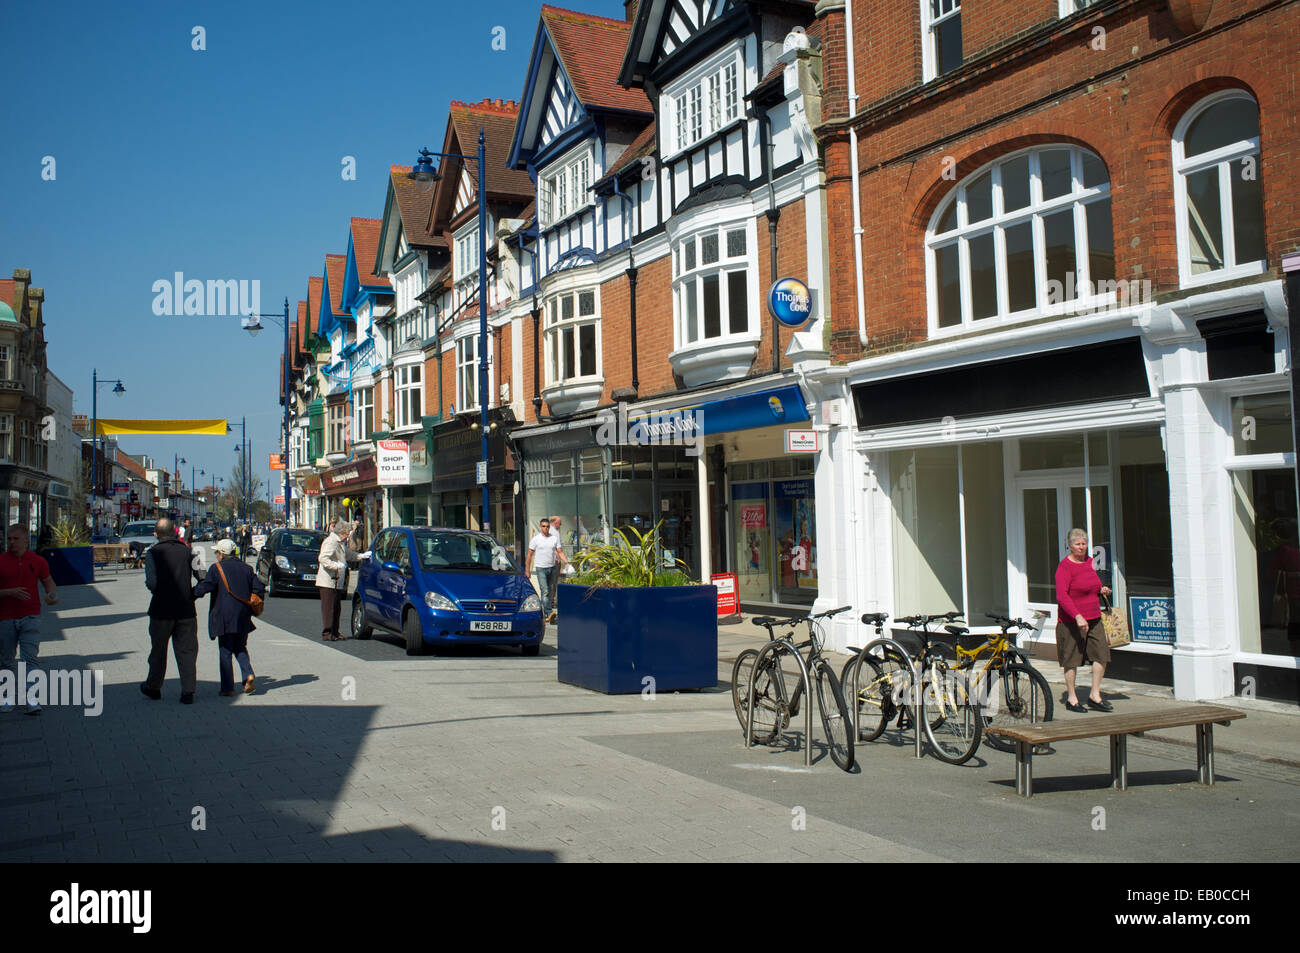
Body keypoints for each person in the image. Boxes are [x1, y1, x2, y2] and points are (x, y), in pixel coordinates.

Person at [194, 539, 265, 696]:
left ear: (221, 554)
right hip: (243, 616)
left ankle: (227, 688)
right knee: (240, 646)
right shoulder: (246, 568)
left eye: (216, 552)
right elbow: (259, 587)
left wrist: (191, 594)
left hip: (224, 617)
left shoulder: (216, 568)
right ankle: (248, 674)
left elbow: (206, 586)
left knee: (225, 650)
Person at [0, 525, 58, 714]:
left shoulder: (37, 561)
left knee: (30, 658)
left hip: (30, 615)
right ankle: (7, 698)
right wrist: (10, 592)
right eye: (9, 539)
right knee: (6, 660)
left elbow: (48, 582)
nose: (11, 542)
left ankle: (32, 699)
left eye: (15, 539)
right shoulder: (1, 561)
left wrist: (51, 595)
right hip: (5, 616)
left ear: (26, 540)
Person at [141, 518, 200, 704]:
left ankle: (154, 687)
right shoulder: (189, 551)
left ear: (156, 534)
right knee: (187, 651)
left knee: (158, 651)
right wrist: (193, 594)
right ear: (175, 532)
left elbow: (151, 582)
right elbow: (203, 577)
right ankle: (188, 691)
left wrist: (159, 592)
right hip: (186, 610)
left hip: (161, 610)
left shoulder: (152, 553)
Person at [1055, 527, 1113, 713]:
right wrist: (1077, 616)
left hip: (1094, 617)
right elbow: (1062, 596)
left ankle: (1095, 695)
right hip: (1071, 621)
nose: (1082, 547)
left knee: (1101, 656)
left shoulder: (1089, 562)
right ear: (1070, 546)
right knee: (1071, 660)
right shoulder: (1064, 567)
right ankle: (1072, 698)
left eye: (1084, 544)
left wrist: (1101, 590)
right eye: (1078, 544)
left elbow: (1091, 585)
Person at [316, 520, 365, 641]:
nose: (348, 536)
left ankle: (335, 632)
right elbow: (323, 558)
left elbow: (349, 554)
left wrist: (361, 556)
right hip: (328, 581)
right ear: (341, 532)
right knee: (329, 608)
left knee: (336, 608)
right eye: (347, 533)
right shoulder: (331, 542)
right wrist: (336, 565)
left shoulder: (340, 543)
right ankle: (327, 633)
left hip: (337, 582)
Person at [527, 517, 565, 624]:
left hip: (552, 567)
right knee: (545, 591)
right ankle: (549, 612)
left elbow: (559, 551)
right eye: (543, 526)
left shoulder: (553, 538)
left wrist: (565, 562)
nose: (546, 528)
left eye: (547, 526)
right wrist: (527, 570)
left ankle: (547, 615)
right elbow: (529, 555)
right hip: (540, 568)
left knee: (550, 590)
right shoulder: (536, 539)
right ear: (540, 527)